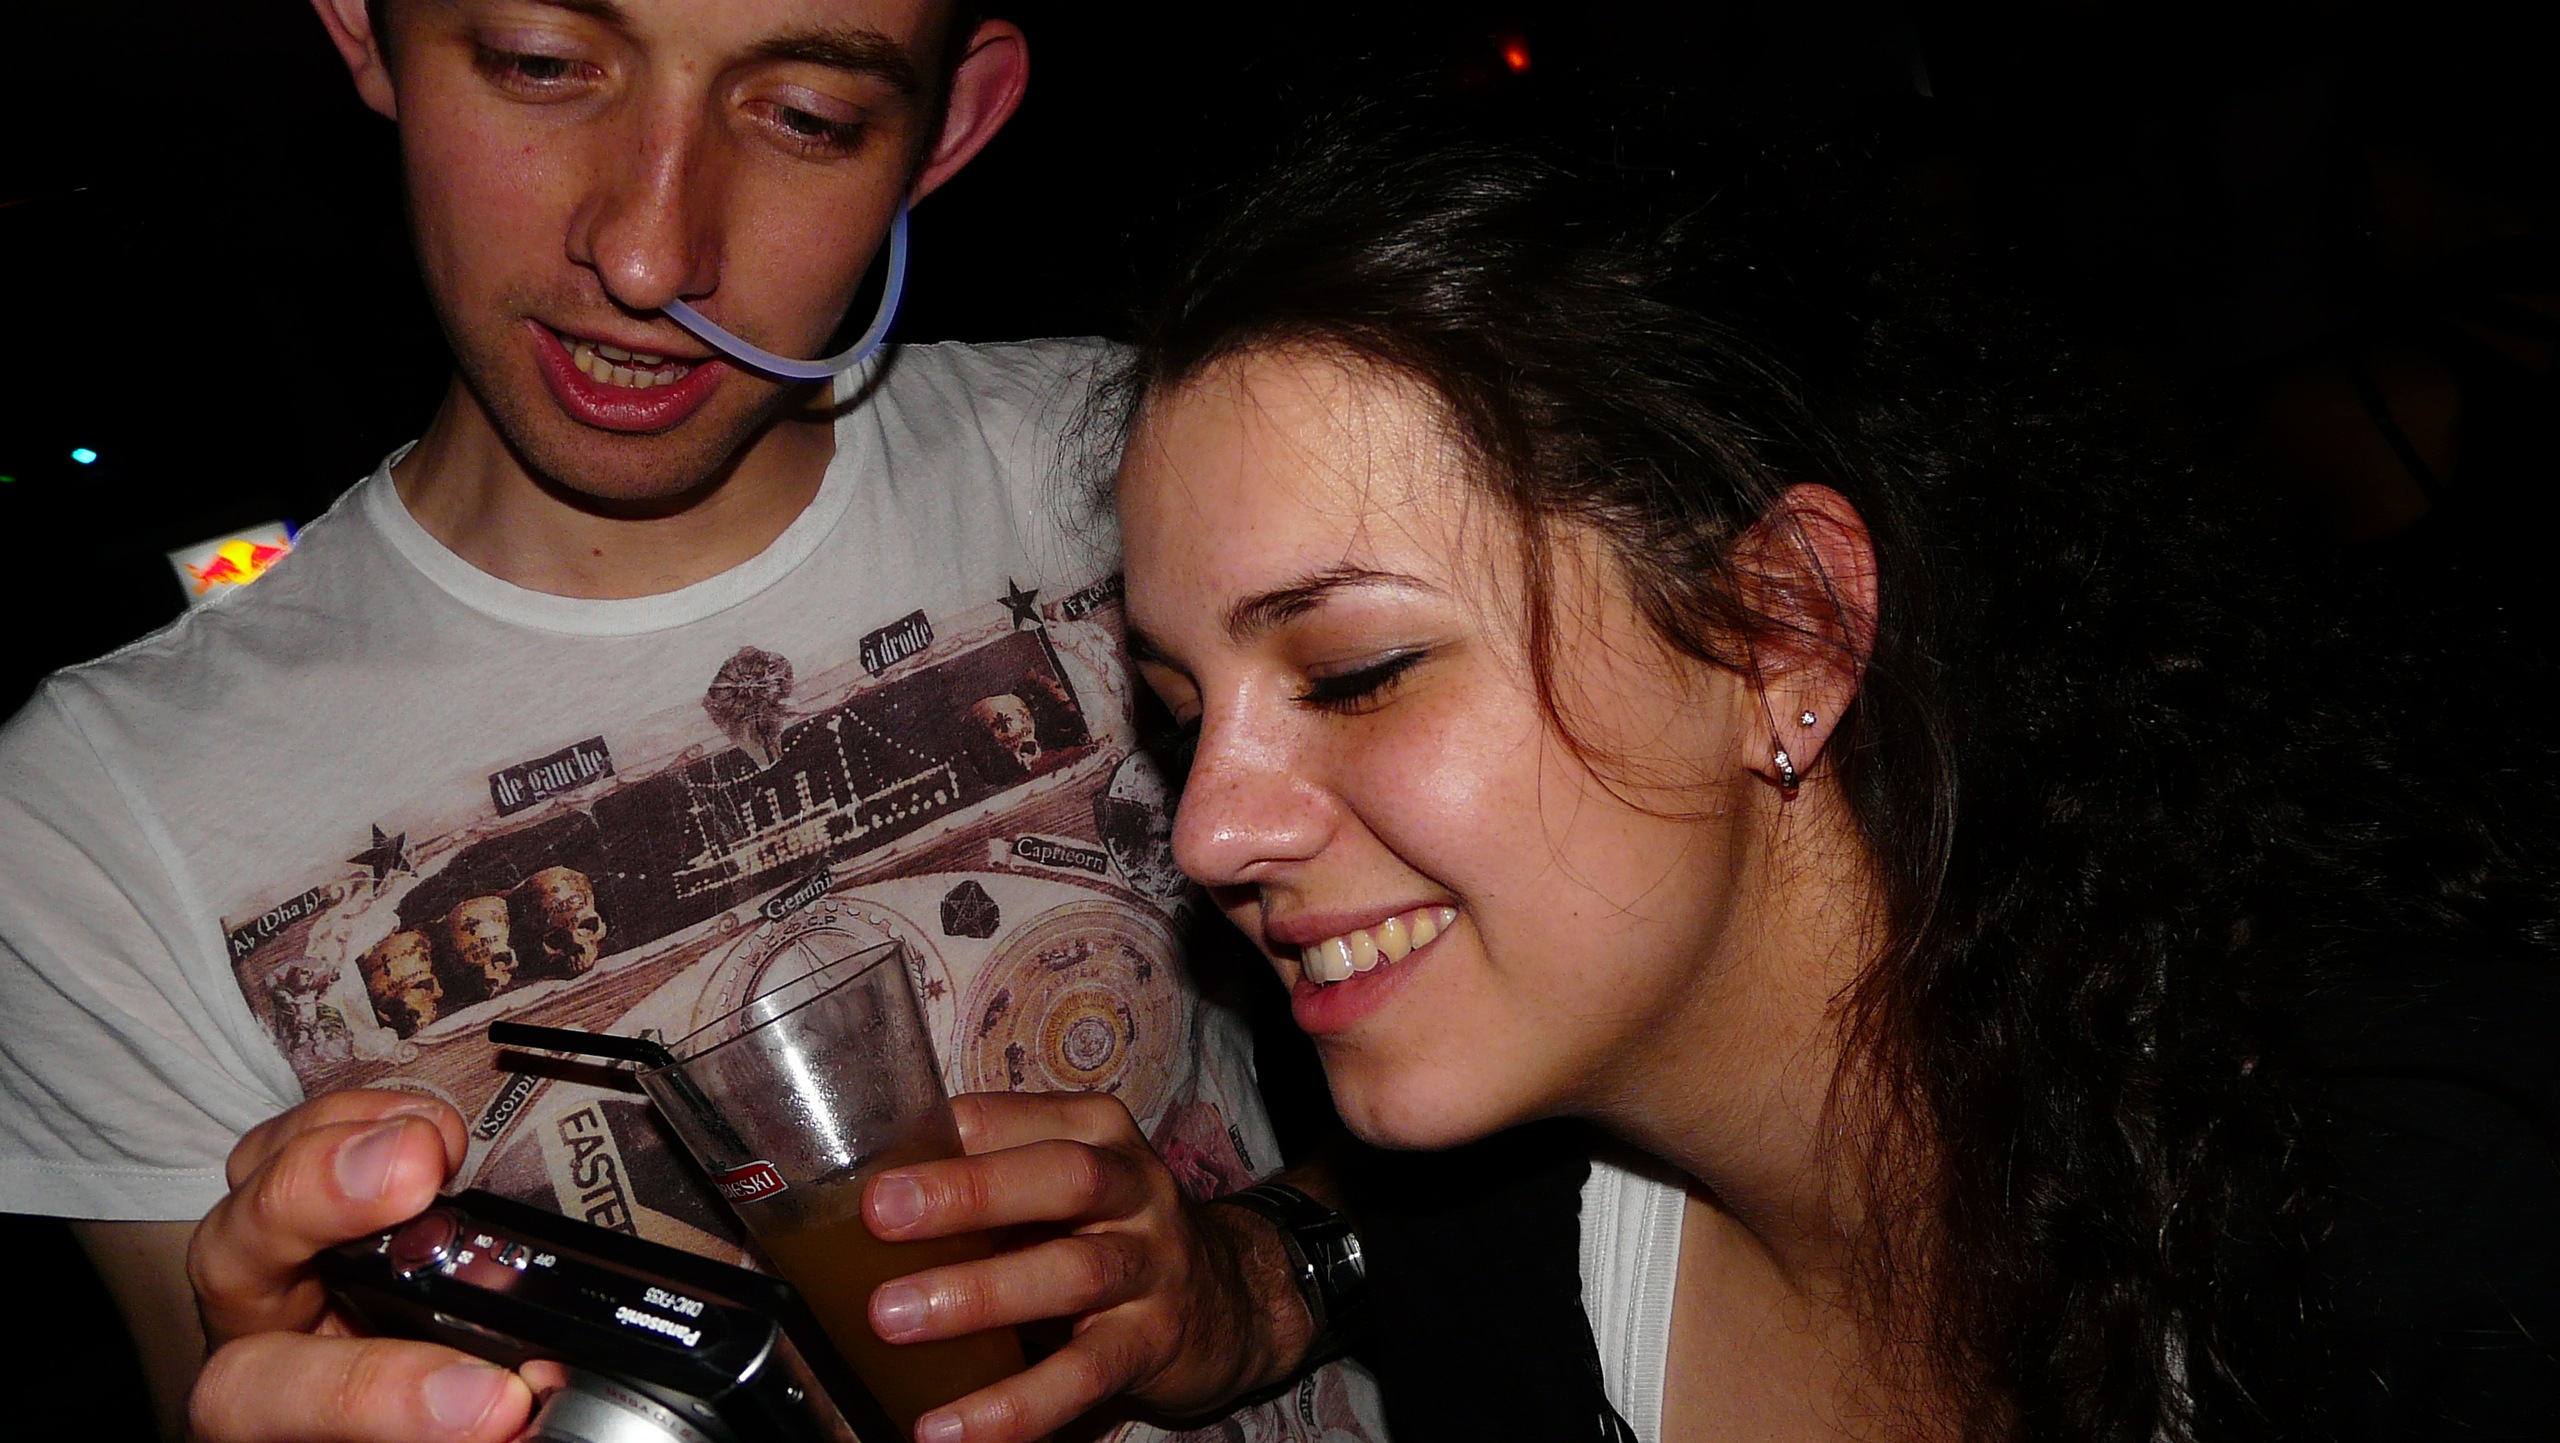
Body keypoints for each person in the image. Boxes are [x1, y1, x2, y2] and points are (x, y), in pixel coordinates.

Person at [0, 4, 1389, 1442]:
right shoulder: (91, 825)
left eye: (807, 118)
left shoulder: (1149, 460)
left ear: (952, 123)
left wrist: (1267, 1277)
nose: (650, 258)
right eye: (542, 64)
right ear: (366, 24)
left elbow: (1535, 1037)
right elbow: (218, 1383)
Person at [1105, 111, 2560, 1441]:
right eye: (1180, 718)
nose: (1211, 830)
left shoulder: (2432, 1213)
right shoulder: (1490, 1264)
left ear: (1781, 634)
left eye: (1356, 672)